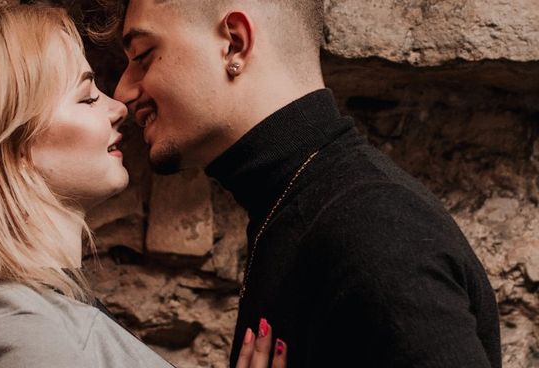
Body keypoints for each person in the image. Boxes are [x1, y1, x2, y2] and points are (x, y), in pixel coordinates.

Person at [111, 0, 502, 367]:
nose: (123, 93)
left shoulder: (372, 228)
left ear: (234, 44)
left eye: (143, 57)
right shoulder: (295, 205)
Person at [0, 1, 286, 367]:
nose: (118, 108)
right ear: (7, 146)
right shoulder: (26, 340)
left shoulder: (44, 316)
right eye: (86, 98)